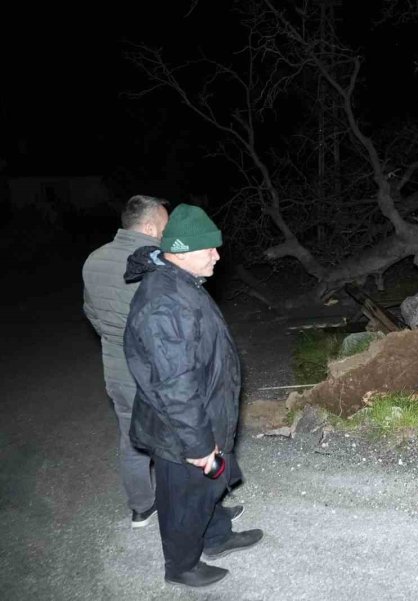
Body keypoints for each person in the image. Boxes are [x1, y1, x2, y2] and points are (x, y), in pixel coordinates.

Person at [124, 204, 262, 588]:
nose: (218, 256)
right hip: (180, 429)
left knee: (209, 485)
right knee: (185, 498)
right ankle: (181, 566)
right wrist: (200, 444)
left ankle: (216, 537)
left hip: (202, 415)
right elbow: (176, 384)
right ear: (182, 252)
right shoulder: (165, 302)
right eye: (209, 249)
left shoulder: (180, 282)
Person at [83, 195, 169, 527]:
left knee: (131, 436)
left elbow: (91, 311)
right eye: (163, 226)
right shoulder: (153, 261)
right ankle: (183, 504)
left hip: (117, 367)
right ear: (148, 227)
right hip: (154, 367)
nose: (165, 233)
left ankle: (141, 507)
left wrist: (114, 336)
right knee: (176, 434)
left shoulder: (93, 259)